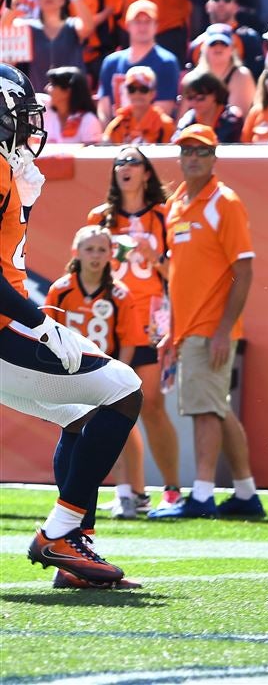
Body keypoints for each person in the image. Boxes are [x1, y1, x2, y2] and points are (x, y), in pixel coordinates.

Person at [0, 64, 143, 589]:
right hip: (3, 330)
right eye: (19, 112)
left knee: (84, 415)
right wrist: (39, 323)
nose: (27, 124)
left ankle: (73, 553)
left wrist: (28, 199)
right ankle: (59, 534)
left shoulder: (6, 168)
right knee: (125, 389)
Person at [149, 124, 265, 520]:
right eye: (186, 150)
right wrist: (172, 328)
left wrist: (221, 329)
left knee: (204, 411)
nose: (193, 157)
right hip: (190, 326)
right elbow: (180, 273)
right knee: (216, 407)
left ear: (215, 157)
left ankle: (201, 495)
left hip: (211, 326)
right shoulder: (178, 202)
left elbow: (243, 270)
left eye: (200, 151)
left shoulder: (224, 202)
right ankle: (246, 493)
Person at [88, 146, 183, 514]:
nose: (125, 168)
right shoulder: (101, 217)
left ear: (147, 172)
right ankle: (128, 490)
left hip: (152, 319)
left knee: (154, 406)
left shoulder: (164, 215)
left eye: (133, 162)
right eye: (119, 162)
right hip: (111, 320)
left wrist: (152, 255)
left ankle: (173, 489)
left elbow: (180, 274)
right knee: (114, 405)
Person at [45, 226, 144, 519]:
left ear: (112, 254)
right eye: (90, 249)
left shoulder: (119, 294)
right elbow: (48, 334)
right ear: (76, 252)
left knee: (111, 433)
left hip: (103, 374)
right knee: (73, 430)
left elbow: (127, 341)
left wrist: (120, 376)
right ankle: (71, 504)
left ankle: (124, 493)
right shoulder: (61, 289)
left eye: (102, 249)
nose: (96, 256)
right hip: (70, 374)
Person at [98, 0, 180, 121]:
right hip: (116, 134)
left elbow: (163, 110)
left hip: (151, 135)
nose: (142, 27)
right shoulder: (111, 62)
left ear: (156, 26)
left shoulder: (167, 62)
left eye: (148, 22)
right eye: (137, 22)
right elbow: (104, 107)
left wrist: (135, 134)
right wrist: (109, 135)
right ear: (127, 25)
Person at [190, 0, 266, 79]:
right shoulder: (197, 44)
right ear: (207, 6)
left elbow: (257, 76)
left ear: (236, 7)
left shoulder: (249, 38)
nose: (221, 3)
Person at [102, 66, 176, 145]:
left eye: (143, 89)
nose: (137, 94)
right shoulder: (117, 124)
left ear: (153, 93)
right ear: (126, 92)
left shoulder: (165, 125)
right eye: (132, 89)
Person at [193, 24, 257, 115]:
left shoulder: (242, 76)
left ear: (232, 49)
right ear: (204, 48)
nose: (218, 47)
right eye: (213, 43)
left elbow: (237, 120)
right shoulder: (194, 76)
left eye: (224, 43)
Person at [177, 70, 245, 144]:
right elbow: (175, 142)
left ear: (215, 94)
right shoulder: (188, 118)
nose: (194, 102)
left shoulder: (231, 117)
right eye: (190, 98)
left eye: (200, 98)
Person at [41, 66, 103, 145]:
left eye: (52, 85)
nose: (46, 88)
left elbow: (92, 155)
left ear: (67, 91)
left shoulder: (88, 120)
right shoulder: (44, 112)